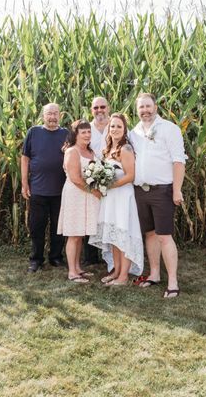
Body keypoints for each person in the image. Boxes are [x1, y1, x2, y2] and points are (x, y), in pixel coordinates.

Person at [129, 93, 187, 298]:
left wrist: (177, 189)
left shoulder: (169, 129)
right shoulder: (133, 132)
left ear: (155, 107)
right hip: (140, 191)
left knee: (164, 236)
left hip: (162, 191)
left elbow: (179, 161)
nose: (144, 110)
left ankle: (173, 281)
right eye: (141, 107)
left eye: (148, 106)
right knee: (150, 234)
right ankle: (154, 274)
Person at [89, 114, 144, 285]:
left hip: (122, 196)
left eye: (119, 126)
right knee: (114, 237)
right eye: (112, 126)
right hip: (110, 198)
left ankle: (123, 277)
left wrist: (111, 185)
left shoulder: (125, 149)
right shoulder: (107, 150)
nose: (115, 129)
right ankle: (116, 272)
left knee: (123, 236)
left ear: (124, 129)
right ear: (108, 128)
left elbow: (130, 176)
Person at [21, 103, 69, 273]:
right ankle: (36, 259)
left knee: (58, 227)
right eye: (49, 114)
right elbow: (25, 158)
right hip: (38, 189)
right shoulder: (33, 132)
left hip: (60, 190)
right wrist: (24, 183)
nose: (52, 117)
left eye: (55, 113)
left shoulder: (66, 134)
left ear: (60, 116)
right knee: (37, 226)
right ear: (43, 116)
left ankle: (56, 257)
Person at [57, 120, 102, 283]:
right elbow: (75, 178)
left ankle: (78, 268)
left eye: (89, 132)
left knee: (80, 233)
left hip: (87, 195)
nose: (87, 135)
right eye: (83, 132)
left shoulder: (90, 151)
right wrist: (95, 190)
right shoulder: (72, 151)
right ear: (76, 134)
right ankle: (72, 272)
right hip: (75, 195)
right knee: (74, 234)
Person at [82, 96, 111, 266]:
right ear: (91, 110)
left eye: (102, 107)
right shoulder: (87, 129)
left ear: (108, 108)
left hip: (113, 179)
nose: (99, 110)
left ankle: (111, 255)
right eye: (95, 108)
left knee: (110, 216)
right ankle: (90, 258)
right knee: (91, 216)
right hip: (91, 180)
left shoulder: (115, 126)